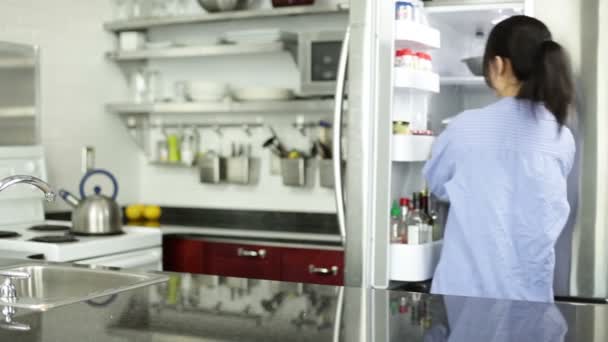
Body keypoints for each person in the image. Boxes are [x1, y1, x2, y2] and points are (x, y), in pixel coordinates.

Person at [423, 15, 575, 303]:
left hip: (467, 297)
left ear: (498, 65)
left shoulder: (464, 127)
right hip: (531, 300)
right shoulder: (560, 136)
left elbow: (437, 185)